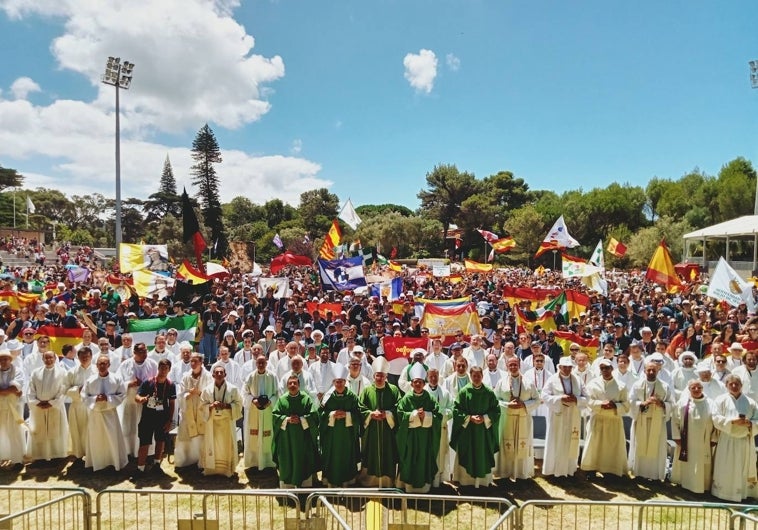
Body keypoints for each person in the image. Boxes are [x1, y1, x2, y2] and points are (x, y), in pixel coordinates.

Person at [450, 365, 500, 488]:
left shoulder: (489, 393)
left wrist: (485, 418)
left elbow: (496, 411)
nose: (476, 378)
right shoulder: (464, 392)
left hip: (483, 432)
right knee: (468, 453)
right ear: (470, 376)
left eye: (479, 375)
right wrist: (469, 418)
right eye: (474, 375)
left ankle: (483, 482)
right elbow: (456, 410)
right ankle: (466, 482)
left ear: (482, 376)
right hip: (468, 431)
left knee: (482, 454)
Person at [711, 375, 758, 502]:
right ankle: (723, 493)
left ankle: (740, 493)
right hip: (727, 439)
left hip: (743, 440)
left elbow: (757, 419)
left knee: (741, 467)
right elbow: (715, 418)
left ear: (741, 385)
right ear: (726, 385)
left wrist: (750, 423)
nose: (734, 386)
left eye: (736, 384)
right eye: (730, 384)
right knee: (725, 466)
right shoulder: (720, 400)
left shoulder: (751, 402)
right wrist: (732, 422)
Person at [580, 358, 630, 478]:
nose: (605, 370)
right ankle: (591, 470)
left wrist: (614, 405)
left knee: (611, 446)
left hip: (613, 419)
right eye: (602, 368)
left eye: (607, 368)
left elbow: (627, 405)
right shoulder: (593, 384)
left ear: (612, 369)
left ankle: (610, 471)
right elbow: (588, 401)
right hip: (598, 417)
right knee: (594, 445)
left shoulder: (621, 386)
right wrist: (600, 404)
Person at [396, 363, 442, 493]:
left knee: (423, 459)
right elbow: (400, 414)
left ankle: (424, 487)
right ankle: (408, 487)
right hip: (410, 437)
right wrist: (415, 415)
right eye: (415, 382)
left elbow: (438, 415)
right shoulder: (406, 399)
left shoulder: (430, 398)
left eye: (420, 382)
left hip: (425, 437)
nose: (418, 385)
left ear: (424, 383)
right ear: (411, 384)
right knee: (409, 458)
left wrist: (427, 415)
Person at [358, 356, 401, 487]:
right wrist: (370, 414)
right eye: (377, 375)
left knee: (388, 453)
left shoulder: (393, 390)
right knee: (371, 453)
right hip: (371, 430)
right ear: (374, 376)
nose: (380, 378)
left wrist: (387, 414)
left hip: (388, 430)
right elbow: (360, 407)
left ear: (386, 376)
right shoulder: (367, 391)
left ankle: (387, 481)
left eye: (382, 375)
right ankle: (369, 481)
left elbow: (399, 407)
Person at [494, 356, 540, 480]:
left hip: (523, 418)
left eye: (515, 364)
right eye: (511, 365)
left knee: (522, 445)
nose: (513, 367)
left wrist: (524, 404)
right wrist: (507, 405)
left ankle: (521, 474)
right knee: (506, 445)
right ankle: (505, 473)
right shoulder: (501, 382)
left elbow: (537, 399)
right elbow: (495, 400)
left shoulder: (528, 382)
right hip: (506, 419)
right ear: (507, 366)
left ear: (519, 365)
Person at [542, 356, 588, 478]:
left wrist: (576, 399)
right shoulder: (552, 380)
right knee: (555, 441)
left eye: (569, 367)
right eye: (564, 367)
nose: (567, 369)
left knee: (570, 442)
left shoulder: (578, 380)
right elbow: (545, 396)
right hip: (558, 415)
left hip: (573, 415)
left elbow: (587, 397)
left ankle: (569, 470)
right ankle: (553, 471)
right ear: (559, 367)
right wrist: (560, 398)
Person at [629, 361, 675, 481]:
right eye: (648, 370)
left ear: (658, 371)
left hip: (657, 422)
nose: (651, 372)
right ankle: (639, 473)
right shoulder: (637, 385)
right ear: (644, 371)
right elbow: (630, 402)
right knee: (640, 445)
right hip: (641, 421)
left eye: (653, 370)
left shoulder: (664, 386)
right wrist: (642, 403)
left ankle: (654, 475)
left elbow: (672, 403)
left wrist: (662, 404)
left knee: (657, 447)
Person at [81, 355, 129, 471]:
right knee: (97, 440)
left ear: (109, 365)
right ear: (96, 365)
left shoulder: (116, 379)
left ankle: (113, 462)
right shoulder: (90, 380)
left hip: (110, 414)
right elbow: (83, 396)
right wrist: (95, 399)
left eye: (104, 364)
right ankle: (98, 463)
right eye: (99, 364)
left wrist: (108, 398)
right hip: (95, 415)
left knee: (112, 439)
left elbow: (122, 394)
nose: (102, 366)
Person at [272, 374, 320, 488]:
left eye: (295, 383)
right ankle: (287, 486)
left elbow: (314, 416)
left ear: (299, 385)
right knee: (287, 459)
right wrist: (287, 419)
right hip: (286, 439)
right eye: (290, 383)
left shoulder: (306, 399)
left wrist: (302, 419)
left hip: (303, 438)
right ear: (287, 385)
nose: (292, 385)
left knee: (303, 459)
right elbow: (275, 416)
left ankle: (305, 485)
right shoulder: (282, 400)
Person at [670, 379, 717, 494]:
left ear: (703, 389)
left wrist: (714, 438)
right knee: (687, 463)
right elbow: (675, 420)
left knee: (702, 464)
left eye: (699, 388)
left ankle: (702, 487)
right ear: (689, 389)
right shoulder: (682, 403)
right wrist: (677, 437)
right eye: (693, 388)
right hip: (687, 441)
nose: (696, 390)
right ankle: (685, 485)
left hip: (704, 441)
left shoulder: (710, 403)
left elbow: (715, 423)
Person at [319, 364, 361, 487]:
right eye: (337, 382)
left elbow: (358, 415)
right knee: (332, 457)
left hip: (347, 435)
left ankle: (347, 481)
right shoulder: (328, 397)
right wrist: (332, 415)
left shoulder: (352, 397)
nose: (339, 384)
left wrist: (347, 415)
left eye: (342, 382)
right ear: (333, 382)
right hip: (332, 435)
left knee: (347, 456)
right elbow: (320, 414)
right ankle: (331, 481)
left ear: (345, 382)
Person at [200, 363, 243, 477]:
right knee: (211, 446)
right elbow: (201, 405)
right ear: (213, 375)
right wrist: (211, 406)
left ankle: (227, 470)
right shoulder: (207, 390)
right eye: (216, 372)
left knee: (226, 447)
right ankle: (211, 469)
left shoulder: (233, 389)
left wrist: (227, 406)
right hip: (212, 423)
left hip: (226, 422)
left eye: (221, 372)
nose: (219, 374)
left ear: (225, 374)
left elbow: (239, 404)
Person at [134, 359, 177, 473]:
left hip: (162, 418)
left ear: (169, 370)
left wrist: (169, 421)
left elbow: (172, 404)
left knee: (160, 441)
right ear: (158, 368)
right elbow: (137, 397)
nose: (163, 370)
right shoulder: (148, 382)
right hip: (147, 417)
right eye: (161, 368)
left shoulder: (170, 385)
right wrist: (141, 399)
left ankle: (157, 465)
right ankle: (140, 469)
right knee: (144, 442)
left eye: (166, 368)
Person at [27, 350, 69, 461]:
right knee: (40, 431)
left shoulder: (62, 372)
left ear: (55, 359)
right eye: (46, 358)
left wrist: (52, 403)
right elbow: (31, 389)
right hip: (39, 407)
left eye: (51, 357)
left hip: (55, 407)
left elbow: (63, 389)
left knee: (56, 430)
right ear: (42, 359)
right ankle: (40, 455)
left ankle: (56, 455)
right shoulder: (36, 373)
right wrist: (37, 402)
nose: (49, 360)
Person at [117, 342, 158, 457]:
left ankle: (147, 453)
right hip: (130, 402)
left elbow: (157, 382)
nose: (144, 354)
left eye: (145, 351)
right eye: (140, 352)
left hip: (146, 403)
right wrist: (130, 383)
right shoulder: (125, 365)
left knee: (145, 428)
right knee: (129, 427)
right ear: (134, 352)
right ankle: (129, 452)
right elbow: (117, 383)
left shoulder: (153, 364)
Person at [242, 353, 279, 471]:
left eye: (263, 362)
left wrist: (270, 402)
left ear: (267, 363)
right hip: (254, 410)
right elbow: (244, 393)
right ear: (256, 363)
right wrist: (253, 400)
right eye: (259, 362)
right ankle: (254, 461)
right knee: (253, 435)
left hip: (268, 410)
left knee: (268, 435)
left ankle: (268, 462)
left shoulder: (272, 376)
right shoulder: (250, 377)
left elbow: (277, 393)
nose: (261, 365)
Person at [175, 352, 212, 469]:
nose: (193, 363)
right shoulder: (186, 376)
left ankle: (202, 460)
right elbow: (180, 393)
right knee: (186, 435)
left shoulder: (208, 376)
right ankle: (186, 460)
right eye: (191, 361)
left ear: (201, 362)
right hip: (188, 411)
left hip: (202, 411)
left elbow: (211, 392)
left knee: (202, 435)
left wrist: (199, 392)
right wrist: (188, 394)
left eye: (196, 361)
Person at [65, 346, 96, 462]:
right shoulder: (72, 372)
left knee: (91, 430)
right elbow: (65, 390)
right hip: (77, 405)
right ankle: (78, 455)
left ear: (91, 357)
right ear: (78, 357)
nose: (85, 359)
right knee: (77, 431)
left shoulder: (96, 370)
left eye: (87, 356)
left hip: (92, 406)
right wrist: (79, 389)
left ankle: (92, 455)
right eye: (82, 357)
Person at [425, 367, 453, 487]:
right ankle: (427, 479)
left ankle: (438, 481)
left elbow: (452, 409)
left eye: (435, 376)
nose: (433, 379)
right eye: (431, 376)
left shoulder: (445, 392)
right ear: (427, 377)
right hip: (426, 429)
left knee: (440, 454)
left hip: (441, 428)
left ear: (439, 377)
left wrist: (441, 413)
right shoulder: (423, 391)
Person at [0, 348, 25, 467]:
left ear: (10, 360)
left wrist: (7, 391)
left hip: (14, 405)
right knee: (1, 431)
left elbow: (15, 388)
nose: (4, 362)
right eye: (1, 360)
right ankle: (3, 457)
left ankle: (18, 459)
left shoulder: (18, 371)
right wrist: (8, 391)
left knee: (15, 431)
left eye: (6, 359)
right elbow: (10, 390)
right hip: (0, 406)